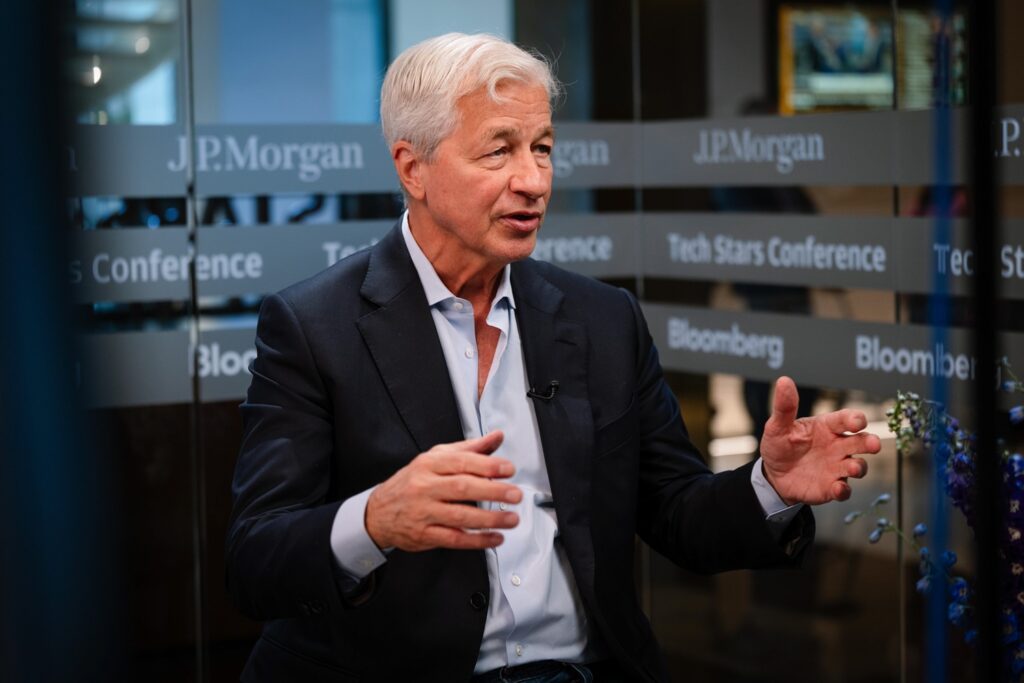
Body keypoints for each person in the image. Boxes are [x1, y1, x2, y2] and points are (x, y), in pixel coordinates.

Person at [226, 33, 881, 683]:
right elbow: (256, 560)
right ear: (412, 168)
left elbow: (678, 511)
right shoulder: (314, 326)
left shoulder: (603, 319)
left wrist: (769, 484)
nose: (534, 180)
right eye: (498, 151)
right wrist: (375, 520)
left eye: (541, 148)